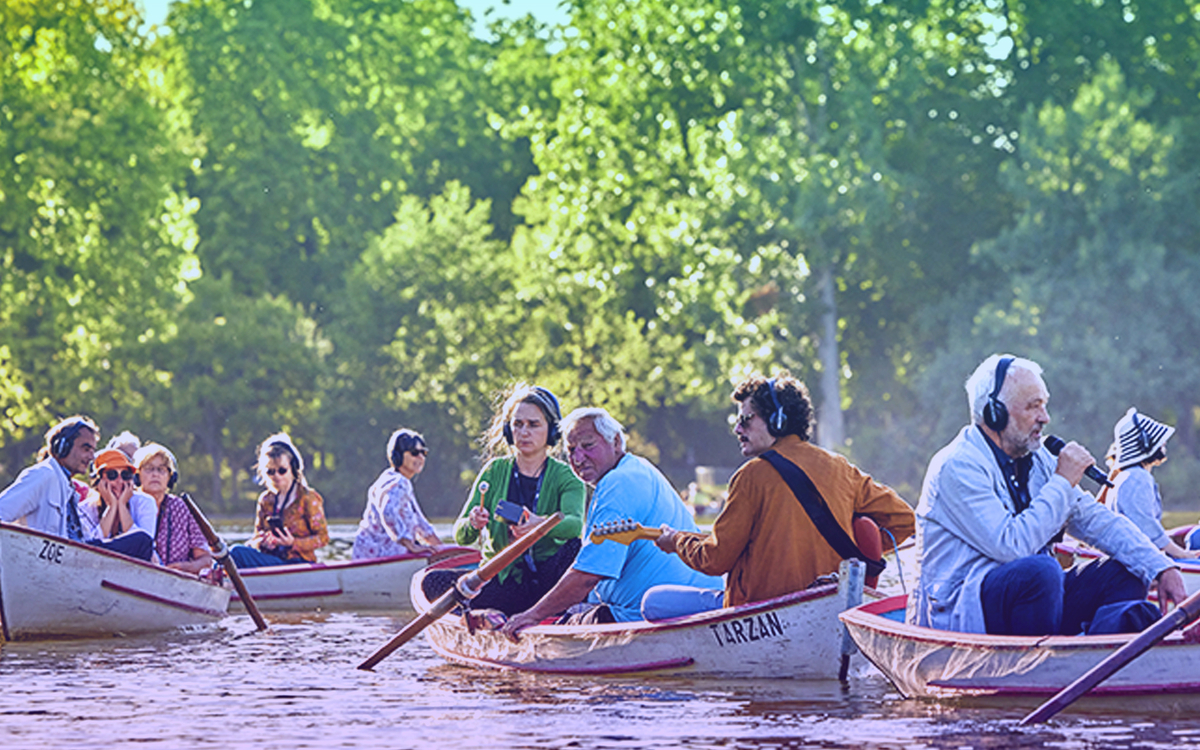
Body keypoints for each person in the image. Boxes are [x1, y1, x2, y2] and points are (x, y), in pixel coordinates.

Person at [910, 354, 1187, 637]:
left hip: (1029, 596)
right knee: (1041, 572)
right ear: (995, 413)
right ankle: (1041, 661)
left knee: (1127, 569)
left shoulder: (1039, 457)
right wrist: (1063, 481)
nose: (1045, 418)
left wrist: (1160, 566)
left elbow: (1098, 521)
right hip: (961, 612)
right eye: (1034, 406)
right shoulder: (957, 465)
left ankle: (1100, 655)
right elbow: (1012, 547)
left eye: (1044, 405)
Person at [645, 373, 916, 619]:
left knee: (654, 601)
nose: (737, 429)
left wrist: (676, 541)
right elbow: (906, 520)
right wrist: (852, 544)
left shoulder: (750, 477)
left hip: (758, 612)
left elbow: (715, 559)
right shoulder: (841, 469)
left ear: (778, 420)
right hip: (828, 608)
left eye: (745, 420)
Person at [500, 408, 722, 640]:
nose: (578, 459)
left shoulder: (618, 483)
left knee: (561, 623)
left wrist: (533, 615)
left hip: (648, 616)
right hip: (700, 601)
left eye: (588, 446)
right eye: (571, 450)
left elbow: (587, 576)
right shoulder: (638, 467)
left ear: (615, 442)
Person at [425, 384, 587, 616]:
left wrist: (540, 525)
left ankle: (560, 614)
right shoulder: (494, 471)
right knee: (432, 581)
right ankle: (484, 618)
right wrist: (473, 522)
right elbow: (461, 534)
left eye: (533, 425)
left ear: (552, 431)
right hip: (501, 583)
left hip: (548, 585)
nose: (524, 432)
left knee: (574, 548)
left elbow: (575, 525)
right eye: (518, 424)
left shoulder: (567, 476)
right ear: (508, 430)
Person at [1106, 408, 1198, 560]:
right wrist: (1182, 554)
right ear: (1145, 444)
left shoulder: (1127, 476)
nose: (1164, 443)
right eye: (1160, 441)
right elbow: (1148, 529)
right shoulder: (1137, 478)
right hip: (1136, 561)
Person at [228, 433, 329, 568]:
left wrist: (293, 542)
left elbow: (323, 538)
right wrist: (262, 542)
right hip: (272, 560)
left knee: (236, 552)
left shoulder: (308, 498)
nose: (276, 476)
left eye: (282, 470)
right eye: (270, 472)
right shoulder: (265, 500)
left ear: (293, 468)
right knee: (230, 555)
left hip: (299, 563)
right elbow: (256, 538)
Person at [0, 416, 98, 541]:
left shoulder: (68, 488)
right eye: (86, 449)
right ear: (63, 447)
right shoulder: (43, 475)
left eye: (92, 450)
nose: (91, 457)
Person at [351, 428, 443, 559]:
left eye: (423, 452)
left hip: (372, 556)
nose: (420, 457)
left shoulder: (393, 478)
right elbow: (388, 512)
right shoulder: (398, 482)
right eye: (414, 452)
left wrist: (442, 550)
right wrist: (410, 545)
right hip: (378, 558)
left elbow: (420, 523)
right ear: (398, 455)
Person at [134, 442, 214, 574]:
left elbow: (205, 559)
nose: (155, 474)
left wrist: (185, 567)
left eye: (161, 470)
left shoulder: (182, 508)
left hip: (177, 580)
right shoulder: (128, 504)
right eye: (149, 469)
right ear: (137, 476)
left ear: (170, 478)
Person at [78, 448, 157, 560]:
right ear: (98, 480)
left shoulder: (145, 502)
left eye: (125, 475)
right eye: (112, 475)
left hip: (133, 566)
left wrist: (122, 506)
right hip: (97, 564)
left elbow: (143, 549)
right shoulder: (83, 509)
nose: (120, 481)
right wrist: (111, 507)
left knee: (143, 539)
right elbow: (90, 550)